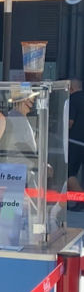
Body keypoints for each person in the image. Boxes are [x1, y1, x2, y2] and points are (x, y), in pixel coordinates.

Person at [67, 79, 84, 210]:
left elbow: (69, 122)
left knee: (69, 173)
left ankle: (81, 200)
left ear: (71, 88)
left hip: (74, 142)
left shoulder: (72, 99)